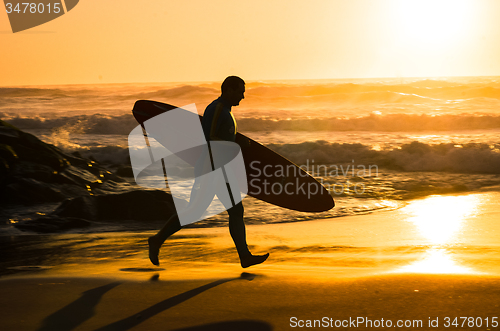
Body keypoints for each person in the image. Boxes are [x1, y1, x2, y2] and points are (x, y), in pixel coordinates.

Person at [148, 76, 269, 268]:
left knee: (227, 210)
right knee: (201, 210)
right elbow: (208, 139)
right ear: (228, 90)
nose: (243, 96)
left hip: (220, 169)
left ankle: (244, 256)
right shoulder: (217, 109)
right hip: (211, 169)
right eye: (240, 91)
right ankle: (157, 240)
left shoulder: (226, 111)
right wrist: (236, 144)